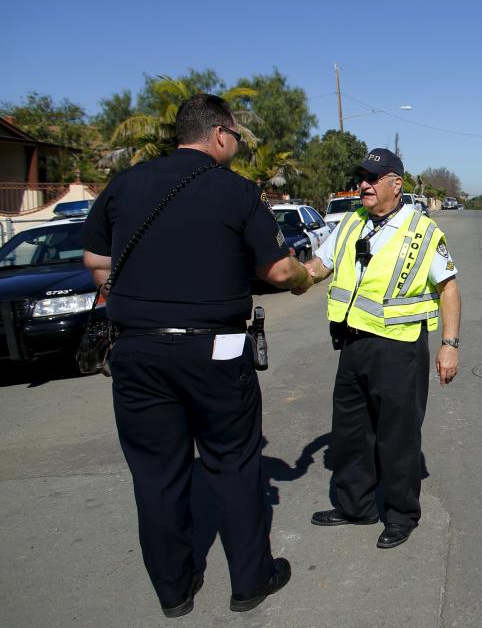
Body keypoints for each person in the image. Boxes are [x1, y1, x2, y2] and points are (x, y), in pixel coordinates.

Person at [81, 94, 312, 617]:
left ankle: (174, 589)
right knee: (232, 463)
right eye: (234, 136)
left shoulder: (126, 185)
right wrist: (307, 275)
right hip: (215, 349)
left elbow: (95, 258)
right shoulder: (234, 191)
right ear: (220, 136)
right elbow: (278, 271)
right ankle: (250, 580)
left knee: (156, 475)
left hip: (137, 351)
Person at [295, 148, 461, 549]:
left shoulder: (422, 231)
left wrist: (449, 345)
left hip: (399, 349)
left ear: (396, 184)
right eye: (361, 178)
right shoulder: (351, 223)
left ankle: (402, 515)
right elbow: (318, 268)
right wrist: (289, 273)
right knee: (351, 432)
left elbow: (449, 288)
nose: (363, 185)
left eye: (372, 178)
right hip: (353, 344)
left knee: (397, 436)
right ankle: (357, 506)